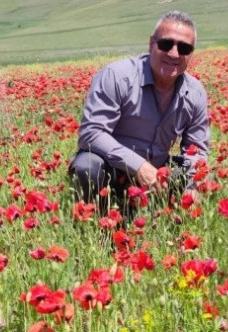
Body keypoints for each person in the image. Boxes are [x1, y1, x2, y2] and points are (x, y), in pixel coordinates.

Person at [69, 10, 210, 214]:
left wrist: (192, 186)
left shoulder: (195, 93)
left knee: (203, 175)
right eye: (166, 44)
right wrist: (138, 166)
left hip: (157, 172)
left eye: (184, 48)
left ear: (191, 53)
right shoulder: (118, 76)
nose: (174, 53)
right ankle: (97, 219)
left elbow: (197, 150)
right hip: (111, 167)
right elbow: (91, 134)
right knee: (87, 167)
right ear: (151, 43)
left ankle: (164, 214)